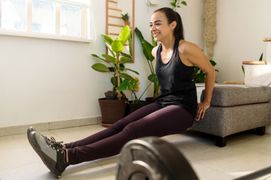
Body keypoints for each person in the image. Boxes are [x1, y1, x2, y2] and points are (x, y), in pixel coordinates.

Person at [27, 7, 215, 178]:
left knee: (135, 129)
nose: (153, 28)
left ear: (173, 25)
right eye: (151, 24)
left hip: (182, 109)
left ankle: (67, 157)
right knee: (121, 124)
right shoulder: (156, 50)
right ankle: (63, 148)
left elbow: (210, 71)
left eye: (158, 23)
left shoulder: (185, 48)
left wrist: (206, 101)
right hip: (163, 102)